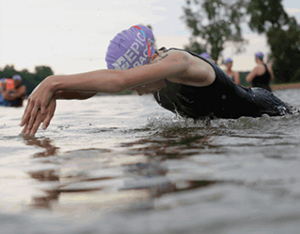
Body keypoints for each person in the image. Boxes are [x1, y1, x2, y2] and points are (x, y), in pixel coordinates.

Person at [20, 25, 295, 136]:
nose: (138, 92)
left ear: (148, 63)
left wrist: (52, 82)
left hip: (267, 111)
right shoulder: (155, 71)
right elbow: (97, 87)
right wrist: (58, 93)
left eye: (136, 83)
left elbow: (118, 81)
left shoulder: (179, 62)